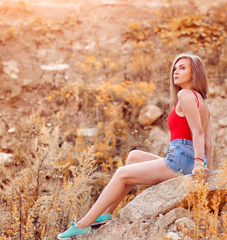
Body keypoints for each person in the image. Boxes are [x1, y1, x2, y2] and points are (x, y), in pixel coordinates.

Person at [57, 53, 212, 239]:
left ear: (195, 73)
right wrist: (205, 168)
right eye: (175, 68)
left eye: (183, 68)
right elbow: (208, 144)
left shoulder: (185, 95)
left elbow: (198, 133)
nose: (175, 72)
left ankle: (83, 224)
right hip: (186, 158)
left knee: (122, 173)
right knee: (134, 156)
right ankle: (106, 213)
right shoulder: (203, 102)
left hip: (182, 160)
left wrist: (197, 165)